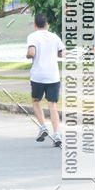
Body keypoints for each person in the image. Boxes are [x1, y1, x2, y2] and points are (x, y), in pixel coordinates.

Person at [26, 13, 65, 147]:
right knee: (52, 104)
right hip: (53, 75)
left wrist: (28, 55)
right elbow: (62, 53)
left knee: (36, 100)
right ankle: (56, 134)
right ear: (47, 24)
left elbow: (31, 52)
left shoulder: (32, 36)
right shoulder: (54, 36)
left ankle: (43, 126)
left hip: (38, 75)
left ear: (35, 24)